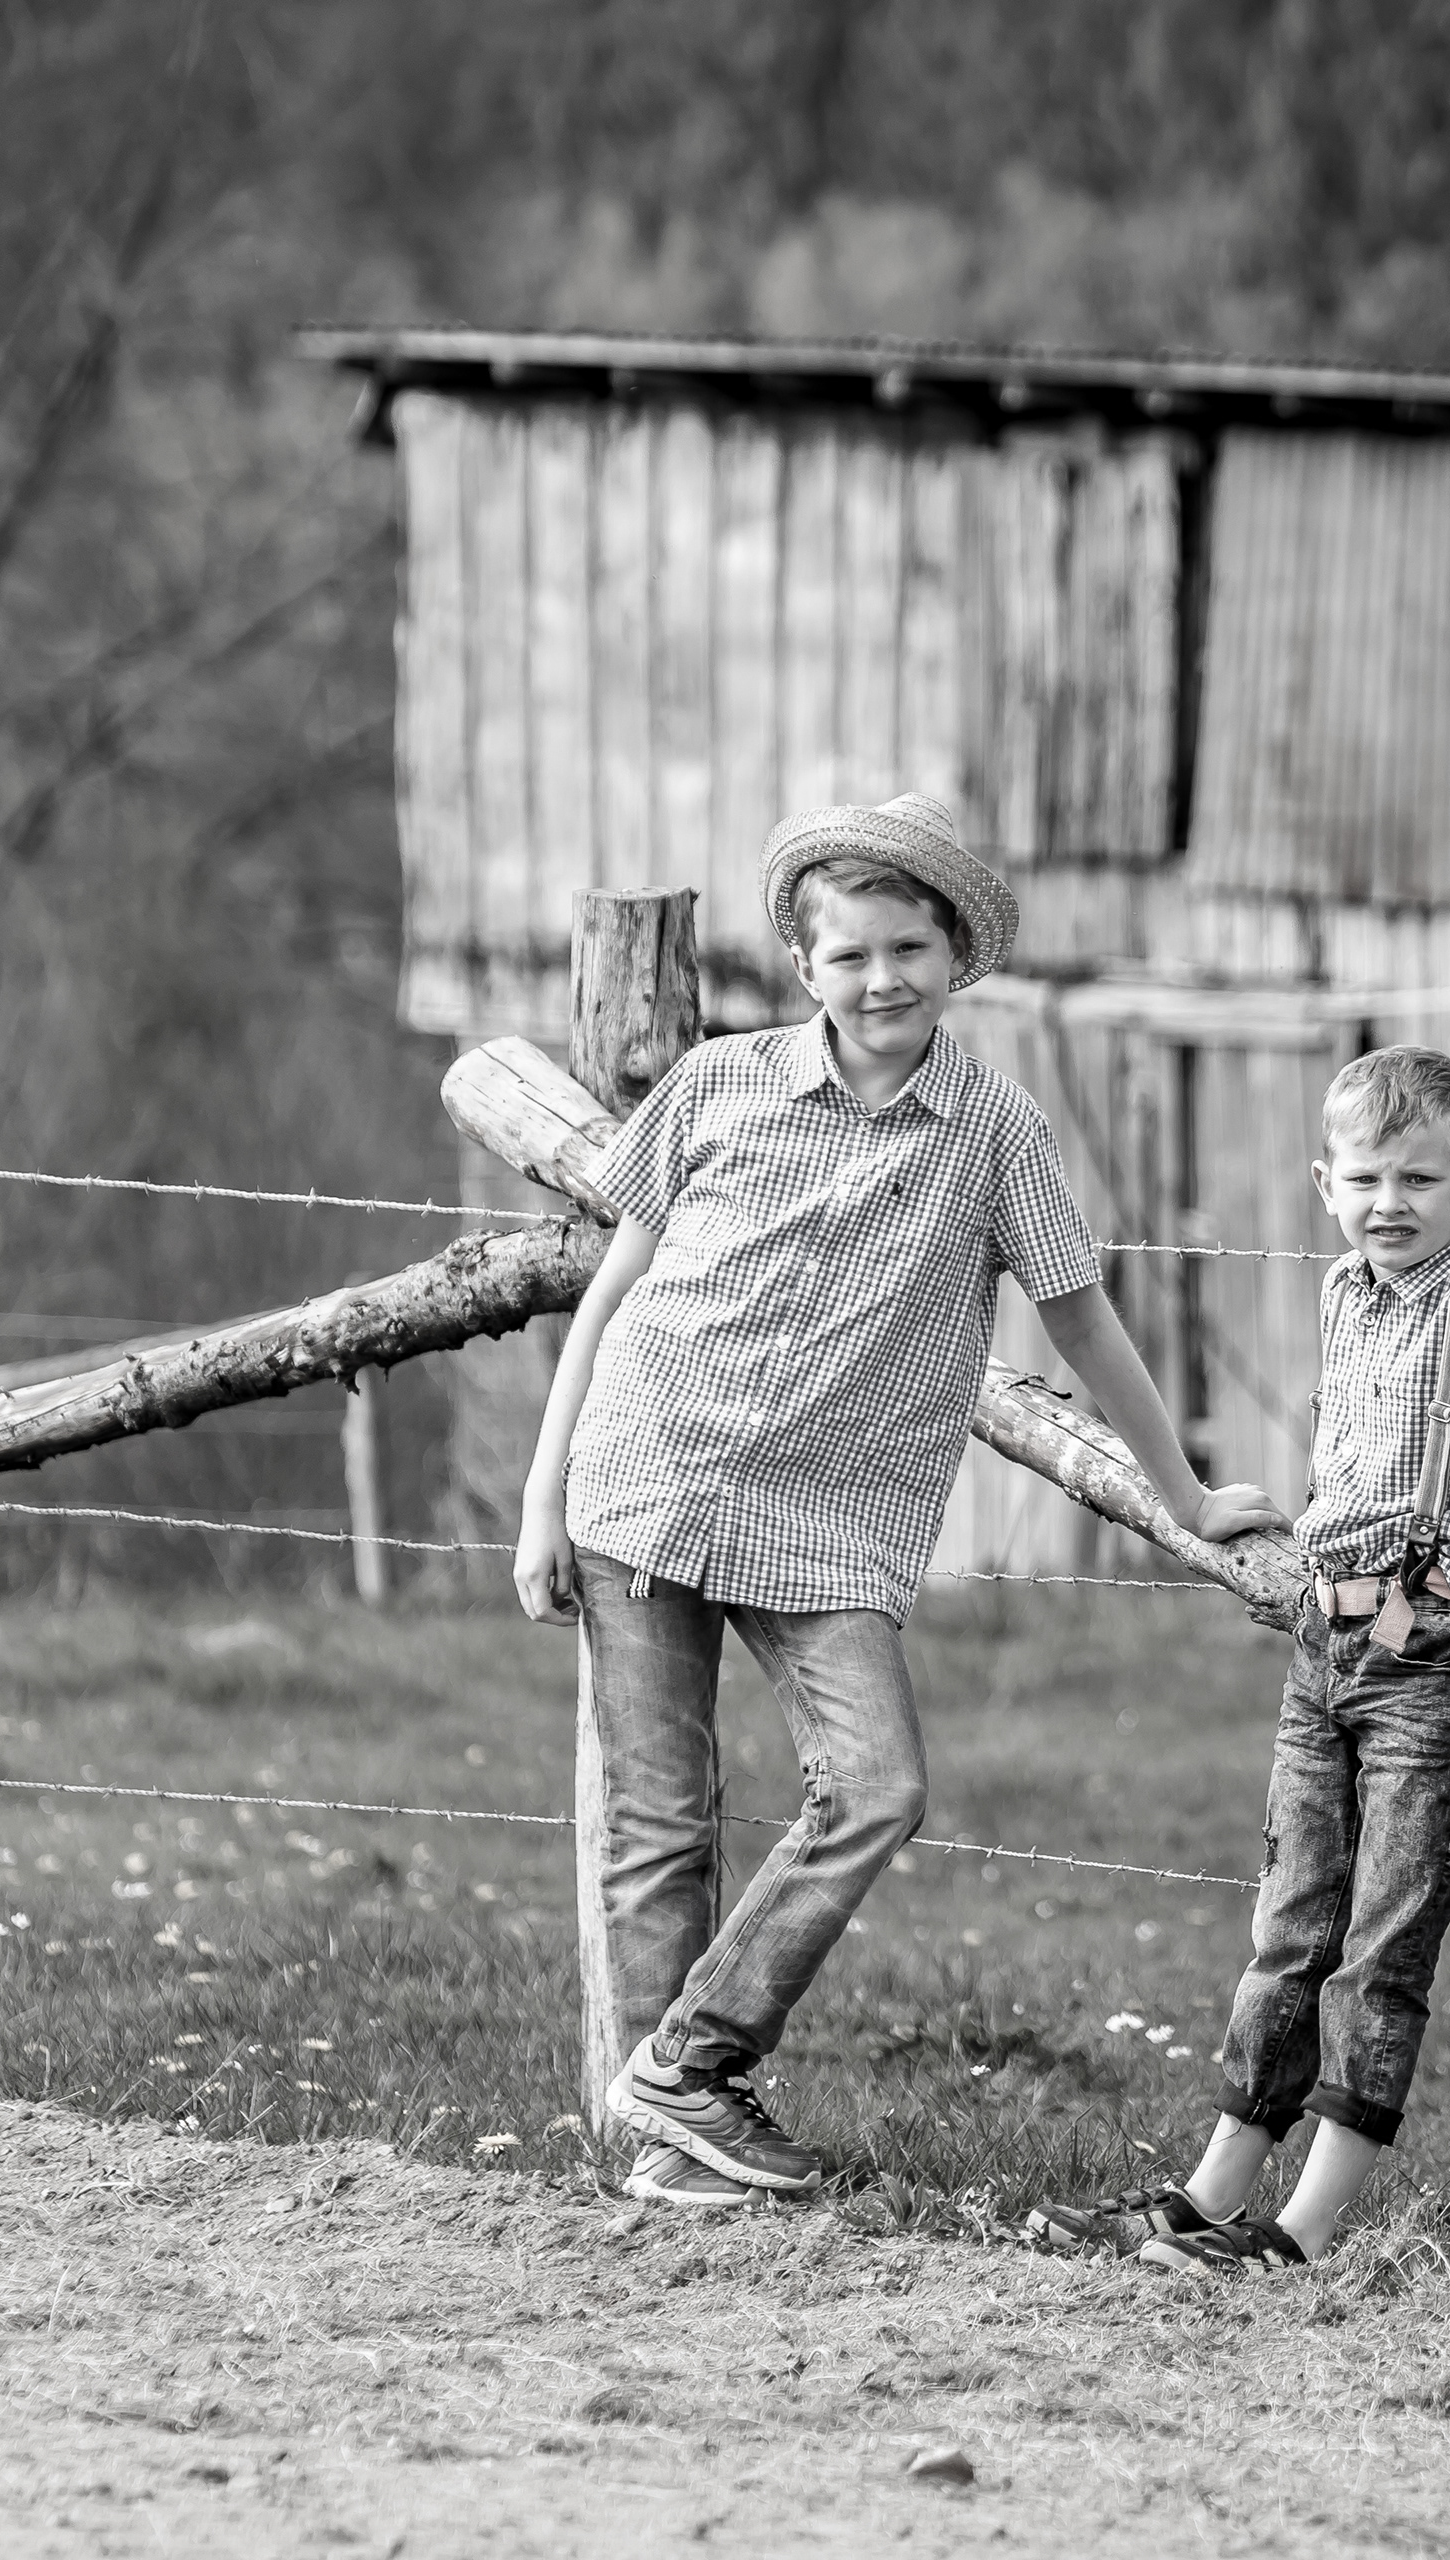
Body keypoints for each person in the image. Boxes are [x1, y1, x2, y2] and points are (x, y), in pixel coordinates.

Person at [512, 790, 1283, 2210]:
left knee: (876, 1787)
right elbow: (614, 1290)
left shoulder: (994, 1130)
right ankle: (667, 2154)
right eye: (852, 954)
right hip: (648, 1478)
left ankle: (683, 2065)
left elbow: (1082, 1315)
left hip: (830, 1525)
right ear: (805, 964)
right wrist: (541, 1494)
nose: (882, 979)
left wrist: (1183, 1493)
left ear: (956, 957)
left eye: (909, 949)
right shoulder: (717, 1086)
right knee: (659, 1824)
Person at [1027, 1044, 1450, 2271]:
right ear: (1324, 1184)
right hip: (1328, 1645)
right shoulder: (1349, 1291)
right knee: (1290, 1926)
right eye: (1365, 1178)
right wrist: (1307, 1567)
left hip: (1436, 1658)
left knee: (1381, 1946)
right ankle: (1212, 2194)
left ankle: (1303, 2228)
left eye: (1420, 1178)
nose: (1389, 1203)